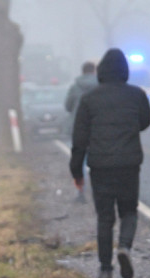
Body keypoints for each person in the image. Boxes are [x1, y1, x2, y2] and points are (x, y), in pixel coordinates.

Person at [70, 48, 150, 278]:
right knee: (128, 211)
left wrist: (77, 171)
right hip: (129, 164)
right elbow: (145, 121)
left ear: (101, 72)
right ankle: (124, 246)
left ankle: (105, 270)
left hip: (100, 166)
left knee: (105, 218)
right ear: (125, 71)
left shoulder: (89, 99)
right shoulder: (136, 95)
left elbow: (79, 139)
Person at [65, 61, 98, 202]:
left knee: (80, 161)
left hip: (78, 128)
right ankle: (98, 190)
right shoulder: (100, 86)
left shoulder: (74, 87)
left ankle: (80, 192)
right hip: (96, 128)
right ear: (94, 71)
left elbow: (68, 106)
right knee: (98, 160)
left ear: (82, 71)